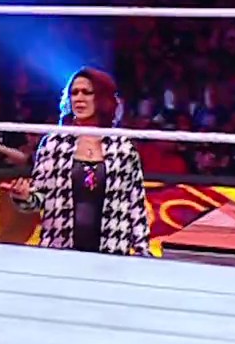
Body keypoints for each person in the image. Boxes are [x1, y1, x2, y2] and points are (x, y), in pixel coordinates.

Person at [9, 68, 148, 254]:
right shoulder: (54, 144)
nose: (79, 98)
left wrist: (142, 251)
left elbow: (136, 206)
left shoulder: (123, 148)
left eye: (86, 92)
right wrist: (24, 197)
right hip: (60, 250)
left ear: (101, 98)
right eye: (74, 93)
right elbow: (40, 199)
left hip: (111, 252)